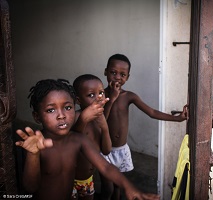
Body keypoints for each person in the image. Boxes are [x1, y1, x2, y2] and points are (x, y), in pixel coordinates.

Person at [15, 79, 160, 200]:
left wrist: (129, 187)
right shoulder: (36, 145)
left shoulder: (78, 140)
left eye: (67, 107)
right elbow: (30, 187)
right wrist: (33, 154)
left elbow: (106, 167)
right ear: (37, 116)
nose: (61, 115)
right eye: (51, 110)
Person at [102, 54, 188, 200]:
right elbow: (102, 120)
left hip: (121, 150)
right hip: (105, 151)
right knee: (107, 189)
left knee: (118, 186)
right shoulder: (101, 95)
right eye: (113, 72)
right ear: (105, 72)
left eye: (122, 74)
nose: (117, 77)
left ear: (127, 77)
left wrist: (177, 119)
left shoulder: (129, 96)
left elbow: (152, 112)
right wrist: (112, 99)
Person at [72, 74, 112, 200]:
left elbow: (106, 150)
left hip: (88, 180)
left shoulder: (99, 119)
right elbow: (72, 143)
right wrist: (83, 120)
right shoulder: (75, 117)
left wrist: (105, 128)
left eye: (101, 93)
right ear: (78, 100)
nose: (98, 98)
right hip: (69, 179)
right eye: (91, 95)